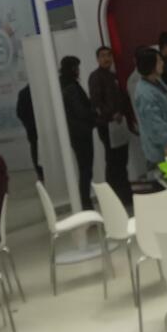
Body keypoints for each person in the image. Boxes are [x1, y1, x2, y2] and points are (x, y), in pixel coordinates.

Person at [88, 46, 134, 206]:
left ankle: (124, 194)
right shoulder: (96, 77)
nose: (106, 58)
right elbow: (96, 103)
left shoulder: (113, 75)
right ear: (97, 59)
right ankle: (113, 198)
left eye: (109, 55)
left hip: (119, 124)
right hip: (107, 125)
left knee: (122, 160)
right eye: (103, 56)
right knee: (113, 161)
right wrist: (111, 114)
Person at [132, 47, 167, 171]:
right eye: (159, 61)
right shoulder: (144, 92)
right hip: (165, 150)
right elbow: (155, 124)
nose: (162, 63)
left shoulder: (157, 82)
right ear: (151, 65)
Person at [60, 55, 98, 210]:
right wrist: (94, 113)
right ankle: (86, 203)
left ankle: (85, 202)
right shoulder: (71, 87)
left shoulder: (64, 85)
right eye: (76, 67)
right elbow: (81, 111)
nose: (78, 70)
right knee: (86, 170)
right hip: (81, 133)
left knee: (84, 169)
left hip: (76, 132)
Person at [16, 84, 42, 181]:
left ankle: (40, 173)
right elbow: (19, 112)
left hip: (31, 128)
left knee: (35, 150)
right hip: (41, 127)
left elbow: (19, 112)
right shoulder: (42, 91)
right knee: (37, 149)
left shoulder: (23, 92)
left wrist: (27, 123)